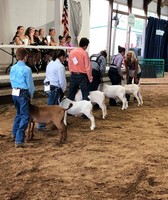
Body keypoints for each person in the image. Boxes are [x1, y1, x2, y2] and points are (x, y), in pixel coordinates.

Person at [10, 47, 35, 148]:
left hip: (14, 92)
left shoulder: (13, 67)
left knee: (19, 113)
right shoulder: (27, 69)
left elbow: (11, 80)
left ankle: (14, 133)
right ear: (25, 57)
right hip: (23, 93)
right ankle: (19, 139)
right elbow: (30, 84)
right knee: (25, 115)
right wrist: (31, 94)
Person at [37, 49, 67, 130]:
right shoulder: (60, 66)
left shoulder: (50, 63)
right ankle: (41, 125)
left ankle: (55, 121)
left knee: (52, 106)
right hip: (54, 87)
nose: (65, 59)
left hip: (47, 85)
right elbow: (62, 80)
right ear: (61, 57)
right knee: (49, 108)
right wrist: (63, 89)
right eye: (64, 57)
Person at [68, 37, 93, 102]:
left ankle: (68, 110)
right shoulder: (84, 53)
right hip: (82, 76)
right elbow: (87, 67)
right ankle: (85, 111)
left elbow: (69, 64)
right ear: (85, 45)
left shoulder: (72, 52)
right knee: (85, 94)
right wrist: (90, 78)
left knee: (71, 94)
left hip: (73, 75)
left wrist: (71, 72)